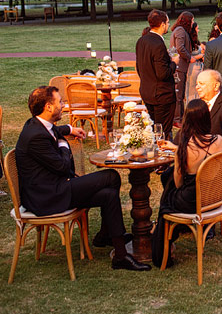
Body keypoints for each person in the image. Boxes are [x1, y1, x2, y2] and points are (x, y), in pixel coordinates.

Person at [15, 86, 149, 271]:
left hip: (53, 188)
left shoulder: (35, 125)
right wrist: (63, 142)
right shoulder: (36, 137)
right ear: (48, 107)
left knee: (108, 194)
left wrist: (68, 129)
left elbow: (53, 130)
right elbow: (62, 167)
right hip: (47, 196)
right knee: (110, 176)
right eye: (60, 102)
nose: (63, 105)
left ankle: (117, 251)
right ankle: (107, 235)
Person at [151, 99, 222, 268]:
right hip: (214, 196)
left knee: (167, 200)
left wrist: (178, 153)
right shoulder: (218, 140)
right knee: (168, 181)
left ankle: (161, 250)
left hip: (193, 200)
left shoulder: (185, 147)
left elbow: (178, 182)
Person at [136, 9, 178, 140]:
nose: (168, 26)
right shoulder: (158, 44)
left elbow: (139, 67)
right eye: (167, 22)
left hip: (147, 91)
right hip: (161, 95)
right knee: (163, 131)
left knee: (153, 129)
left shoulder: (141, 40)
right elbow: (163, 73)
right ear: (162, 24)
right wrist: (174, 63)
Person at [169, 11, 194, 126]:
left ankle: (181, 117)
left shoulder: (179, 30)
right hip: (179, 67)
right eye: (192, 20)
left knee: (181, 93)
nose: (193, 23)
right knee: (178, 94)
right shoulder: (180, 30)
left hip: (180, 67)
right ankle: (177, 119)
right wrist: (190, 58)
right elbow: (180, 47)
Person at [183, 22, 205, 109]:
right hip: (192, 69)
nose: (198, 30)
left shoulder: (195, 41)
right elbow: (188, 55)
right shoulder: (189, 41)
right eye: (197, 28)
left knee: (197, 90)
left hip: (198, 67)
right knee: (191, 91)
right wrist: (201, 56)